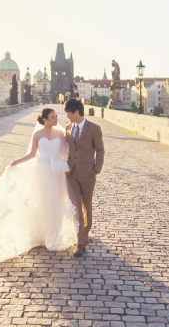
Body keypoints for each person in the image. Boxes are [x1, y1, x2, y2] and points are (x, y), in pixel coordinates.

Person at [0, 108, 77, 269]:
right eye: (53, 117)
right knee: (42, 204)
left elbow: (67, 151)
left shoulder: (60, 133)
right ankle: (41, 234)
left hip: (56, 174)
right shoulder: (37, 135)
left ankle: (52, 238)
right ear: (44, 119)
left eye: (56, 116)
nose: (56, 119)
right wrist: (16, 162)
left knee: (57, 203)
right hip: (41, 172)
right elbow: (32, 154)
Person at [64, 98, 104, 257]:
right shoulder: (67, 128)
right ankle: (80, 241)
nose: (67, 116)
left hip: (88, 173)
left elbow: (100, 150)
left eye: (68, 113)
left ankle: (85, 230)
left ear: (76, 112)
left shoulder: (94, 128)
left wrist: (96, 169)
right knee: (76, 206)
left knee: (87, 205)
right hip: (71, 173)